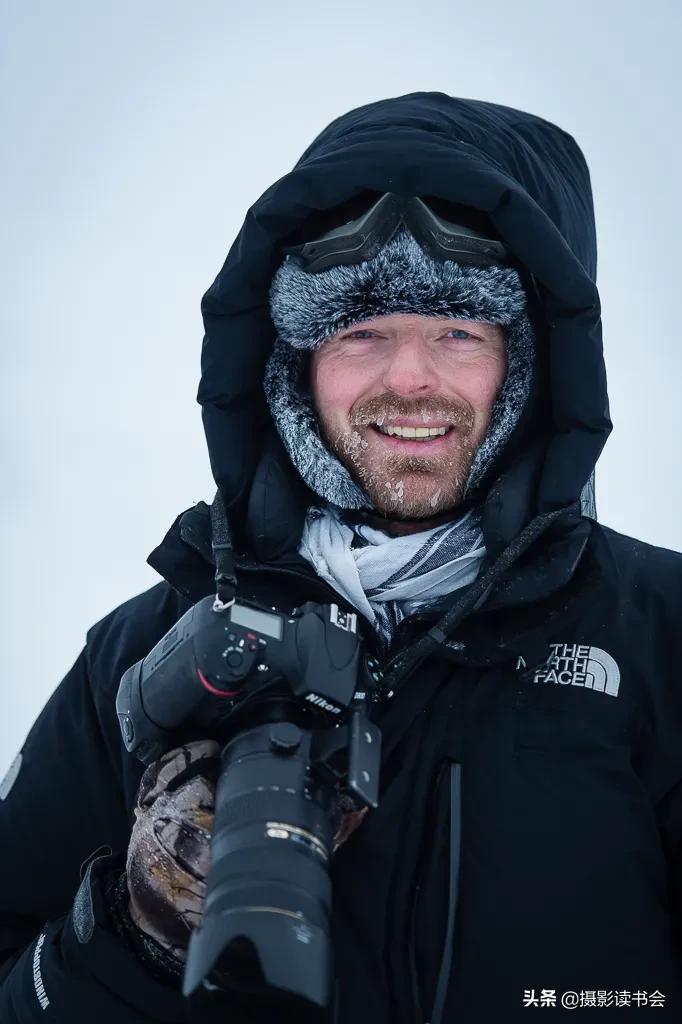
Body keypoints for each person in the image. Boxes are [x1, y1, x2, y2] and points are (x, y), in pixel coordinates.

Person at [1, 90, 681, 1023]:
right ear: (295, 366)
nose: (409, 377)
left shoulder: (661, 636)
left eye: (458, 331)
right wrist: (128, 934)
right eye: (361, 332)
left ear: (532, 367)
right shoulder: (142, 659)